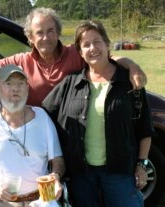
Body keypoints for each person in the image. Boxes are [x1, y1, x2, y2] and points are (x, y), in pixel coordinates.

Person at [42, 20, 154, 207]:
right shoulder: (70, 84)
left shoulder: (129, 82)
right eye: (86, 45)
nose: (92, 48)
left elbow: (145, 127)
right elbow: (43, 116)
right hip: (81, 175)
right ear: (80, 52)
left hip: (120, 173)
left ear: (107, 44)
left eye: (97, 42)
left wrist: (142, 164)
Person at [0, 7, 147, 106]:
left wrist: (132, 65)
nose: (45, 37)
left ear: (57, 32)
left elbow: (104, 59)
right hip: (37, 135)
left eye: (50, 30)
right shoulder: (20, 62)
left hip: (74, 133)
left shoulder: (75, 54)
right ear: (30, 38)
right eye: (39, 33)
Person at [0, 64, 65, 207]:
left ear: (27, 89)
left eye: (21, 83)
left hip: (40, 198)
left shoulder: (42, 118)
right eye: (8, 83)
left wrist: (55, 176)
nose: (15, 88)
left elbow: (58, 161)